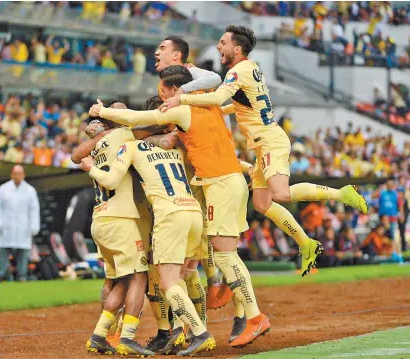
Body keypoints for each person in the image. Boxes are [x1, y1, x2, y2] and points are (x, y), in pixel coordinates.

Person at [160, 24, 368, 277]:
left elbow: (217, 99)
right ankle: (306, 244)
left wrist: (181, 98)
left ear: (237, 48)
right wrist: (208, 113)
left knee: (280, 194)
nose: (218, 47)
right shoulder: (252, 68)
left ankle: (341, 193)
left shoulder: (238, 71)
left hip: (270, 140)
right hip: (262, 143)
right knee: (261, 203)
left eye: (223, 43)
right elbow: (237, 107)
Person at [88, 67, 271, 348]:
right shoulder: (186, 136)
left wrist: (102, 117)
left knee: (164, 279)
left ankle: (189, 330)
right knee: (195, 269)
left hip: (168, 215)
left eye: (166, 94)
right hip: (196, 209)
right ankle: (207, 320)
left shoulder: (137, 144)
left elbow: (129, 132)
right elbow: (215, 85)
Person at [81, 120, 217, 357]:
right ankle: (178, 331)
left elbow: (106, 176)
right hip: (193, 211)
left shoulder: (126, 147)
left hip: (146, 217)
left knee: (154, 281)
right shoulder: (174, 149)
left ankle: (195, 333)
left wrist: (90, 165)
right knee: (180, 275)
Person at [154, 36, 234, 313]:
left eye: (162, 48)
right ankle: (210, 296)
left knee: (209, 235)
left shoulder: (188, 73)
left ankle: (217, 287)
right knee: (198, 244)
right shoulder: (166, 82)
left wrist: (180, 94)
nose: (156, 52)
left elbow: (214, 77)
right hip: (196, 163)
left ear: (177, 56)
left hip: (210, 161)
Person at [73, 102, 153, 357]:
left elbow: (75, 156)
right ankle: (127, 337)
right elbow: (153, 128)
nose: (124, 110)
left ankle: (99, 335)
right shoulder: (123, 133)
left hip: (100, 221)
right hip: (121, 219)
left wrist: (100, 133)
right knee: (140, 277)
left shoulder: (99, 145)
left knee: (120, 281)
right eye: (121, 109)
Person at [0, 165, 40, 282]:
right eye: (15, 173)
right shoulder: (3, 189)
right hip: (6, 227)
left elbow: (34, 209)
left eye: (20, 173)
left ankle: (22, 276)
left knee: (23, 254)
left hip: (23, 228)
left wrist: (34, 226)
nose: (17, 176)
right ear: (11, 175)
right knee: (1, 252)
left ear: (23, 175)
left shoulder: (30, 190)